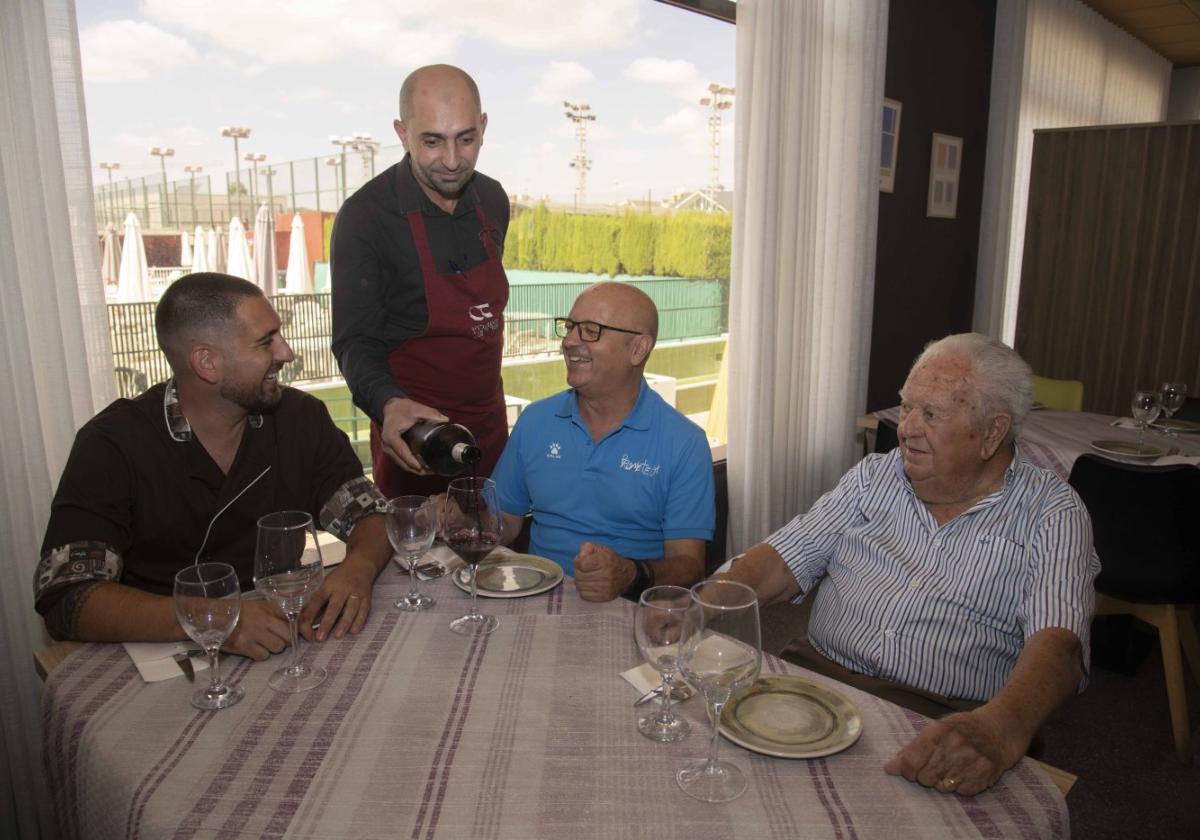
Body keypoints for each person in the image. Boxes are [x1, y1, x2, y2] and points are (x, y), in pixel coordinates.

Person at [714, 333, 1098, 796]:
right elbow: (779, 561)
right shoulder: (875, 476)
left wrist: (1000, 729)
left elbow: (1060, 648)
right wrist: (702, 604)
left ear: (993, 433)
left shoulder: (1052, 512)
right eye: (907, 406)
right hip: (814, 683)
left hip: (939, 717)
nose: (907, 426)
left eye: (930, 414)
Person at [34, 273, 393, 660]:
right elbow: (68, 597)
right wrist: (217, 618)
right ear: (207, 362)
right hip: (160, 658)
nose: (287, 353)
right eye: (265, 341)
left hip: (287, 644)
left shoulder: (300, 418)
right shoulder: (112, 444)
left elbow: (369, 514)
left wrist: (359, 566)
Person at [331, 64, 510, 499]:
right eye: (432, 141)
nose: (452, 161)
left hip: (490, 429)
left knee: (497, 553)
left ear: (483, 127)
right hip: (416, 439)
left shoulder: (493, 200)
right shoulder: (365, 218)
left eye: (466, 139)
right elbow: (355, 341)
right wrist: (389, 406)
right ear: (402, 132)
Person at [491, 282, 715, 602]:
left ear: (638, 349)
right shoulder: (535, 421)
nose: (569, 341)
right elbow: (507, 521)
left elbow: (690, 566)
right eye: (569, 328)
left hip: (631, 610)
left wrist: (630, 574)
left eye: (590, 330)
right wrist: (468, 521)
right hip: (537, 599)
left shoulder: (684, 443)